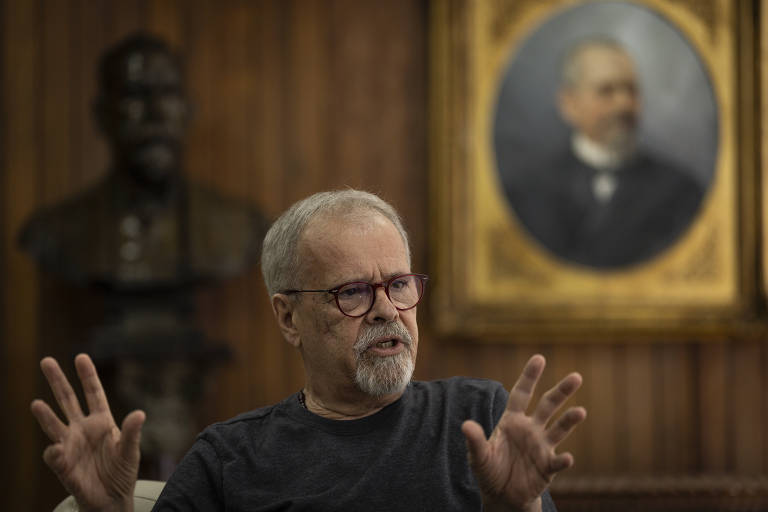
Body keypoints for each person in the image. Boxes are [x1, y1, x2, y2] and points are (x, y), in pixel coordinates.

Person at [31, 190, 587, 511]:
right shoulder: (229, 459)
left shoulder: (478, 417)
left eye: (398, 284)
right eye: (352, 292)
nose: (387, 310)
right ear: (288, 316)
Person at [18, 32, 267, 287]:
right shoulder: (52, 235)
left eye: (168, 93)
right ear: (102, 115)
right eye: (135, 94)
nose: (156, 112)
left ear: (188, 111)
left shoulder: (241, 228)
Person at [503, 38, 705, 269]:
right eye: (606, 91)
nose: (624, 104)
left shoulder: (681, 191)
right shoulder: (528, 191)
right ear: (569, 104)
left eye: (631, 90)